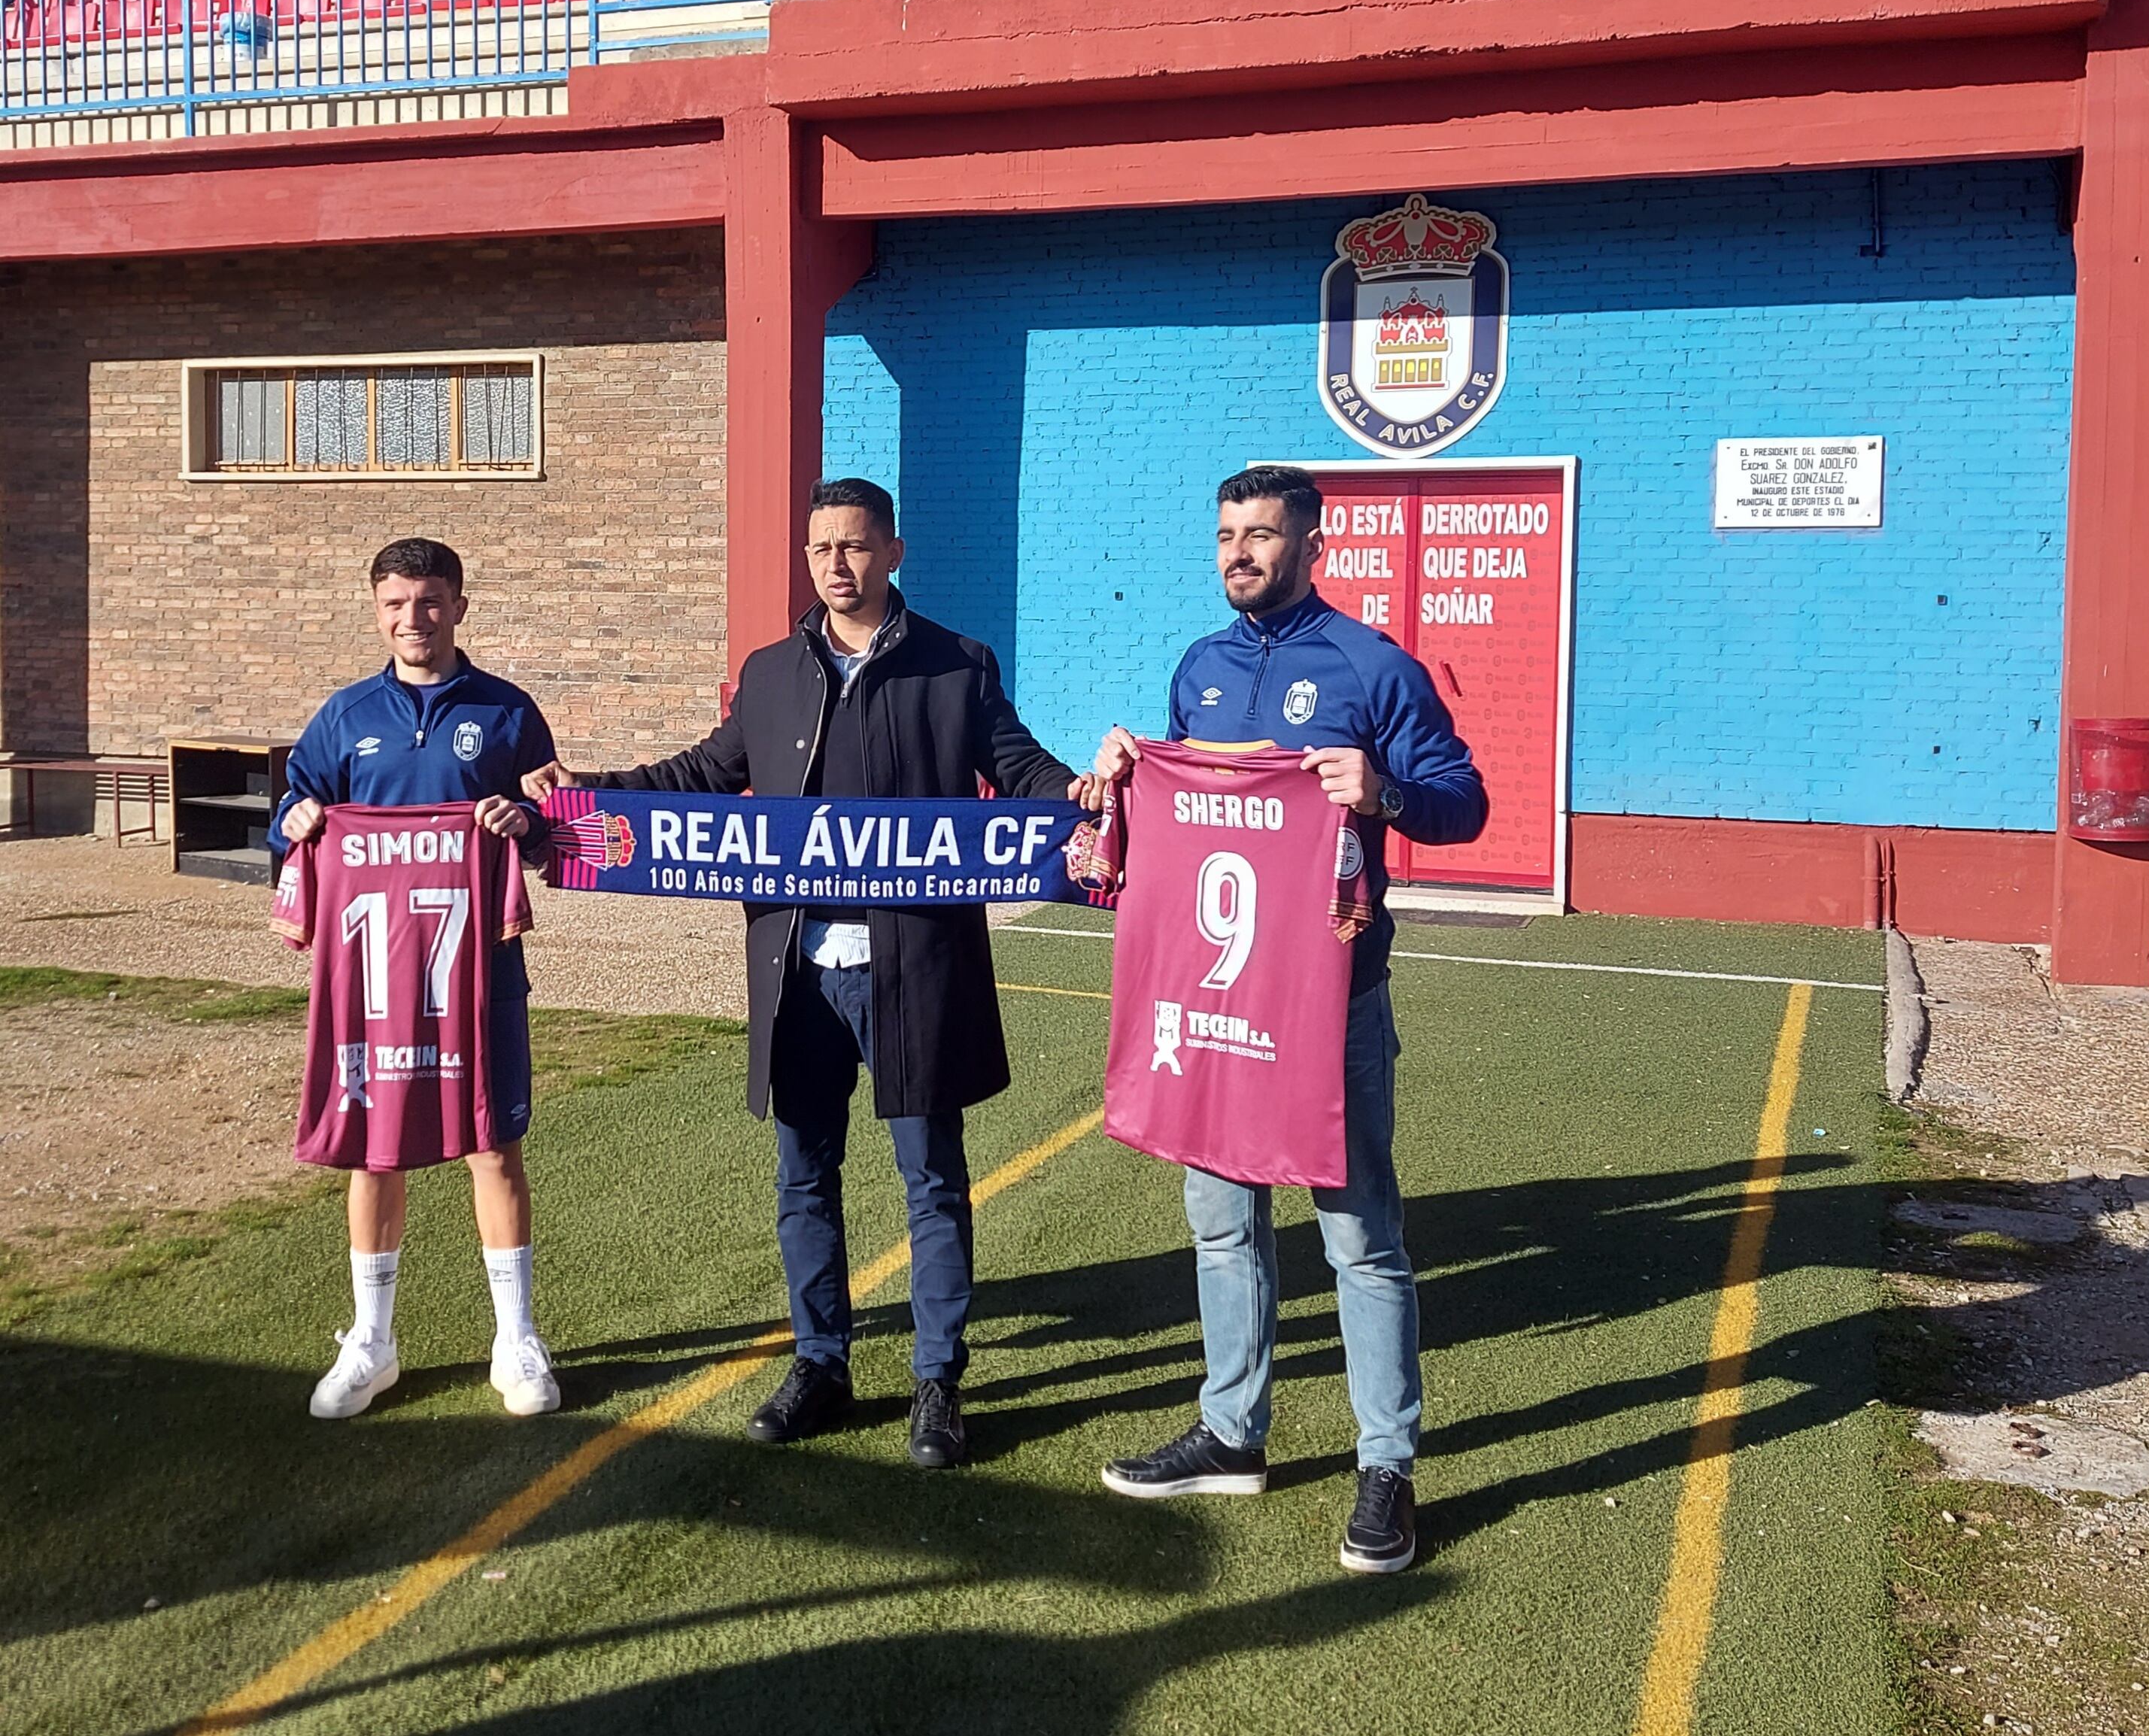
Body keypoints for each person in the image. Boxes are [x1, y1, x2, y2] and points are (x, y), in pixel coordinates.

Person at [523, 478, 1093, 1470]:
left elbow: (1020, 766)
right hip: (798, 972)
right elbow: (704, 773)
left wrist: (1078, 795)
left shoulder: (957, 664)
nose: (838, 563)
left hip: (913, 967)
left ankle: (936, 1383)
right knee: (802, 1176)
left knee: (932, 1180)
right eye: (821, 547)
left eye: (857, 546)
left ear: (894, 552)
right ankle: (821, 1364)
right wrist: (592, 790)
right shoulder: (770, 670)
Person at [1092, 464, 1485, 1575]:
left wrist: (1385, 789)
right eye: (1225, 534)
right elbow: (1185, 822)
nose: (1239, 553)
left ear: (1312, 544)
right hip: (1216, 1001)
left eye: (1261, 535)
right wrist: (1123, 776)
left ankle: (1386, 1464)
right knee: (1221, 1221)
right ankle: (1232, 1432)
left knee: (1359, 1238)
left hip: (1330, 1006)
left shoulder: (1374, 668)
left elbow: (1465, 801)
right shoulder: (1198, 668)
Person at [272, 538, 561, 1422]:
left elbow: (558, 834)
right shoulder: (343, 714)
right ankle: (372, 1339)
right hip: (370, 981)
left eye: (430, 601)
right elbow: (285, 817)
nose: (414, 619)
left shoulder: (508, 713)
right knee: (373, 1144)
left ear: (460, 605)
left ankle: (515, 1335)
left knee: (492, 1141)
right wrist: (303, 817)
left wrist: (526, 822)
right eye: (396, 603)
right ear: (376, 610)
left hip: (481, 970)